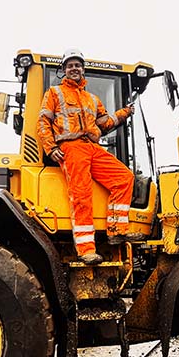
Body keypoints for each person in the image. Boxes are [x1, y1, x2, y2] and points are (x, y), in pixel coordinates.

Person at [37, 48, 145, 265]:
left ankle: (116, 230)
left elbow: (104, 124)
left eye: (77, 65)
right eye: (70, 66)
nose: (74, 68)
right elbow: (42, 123)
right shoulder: (54, 93)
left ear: (83, 69)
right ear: (64, 70)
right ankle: (86, 249)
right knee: (81, 194)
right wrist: (50, 147)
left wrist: (124, 112)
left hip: (91, 146)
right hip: (71, 147)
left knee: (124, 177)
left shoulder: (92, 99)